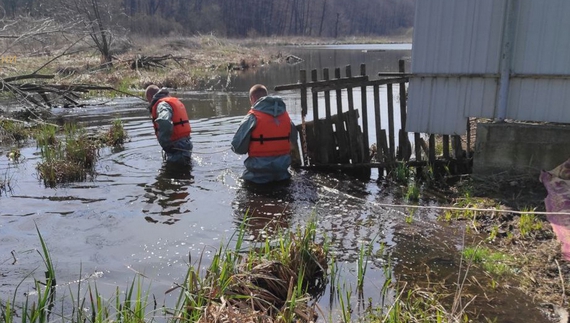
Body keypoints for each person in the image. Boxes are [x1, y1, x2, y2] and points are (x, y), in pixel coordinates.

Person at [231, 84, 298, 184]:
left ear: (252, 98)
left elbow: (238, 148)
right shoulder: (286, 117)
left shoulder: (252, 117)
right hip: (282, 175)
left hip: (257, 178)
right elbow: (293, 140)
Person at [145, 85, 193, 166]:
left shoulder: (161, 105)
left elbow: (165, 122)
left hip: (176, 148)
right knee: (185, 173)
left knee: (175, 174)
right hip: (186, 144)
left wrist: (165, 142)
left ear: (150, 96)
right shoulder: (171, 101)